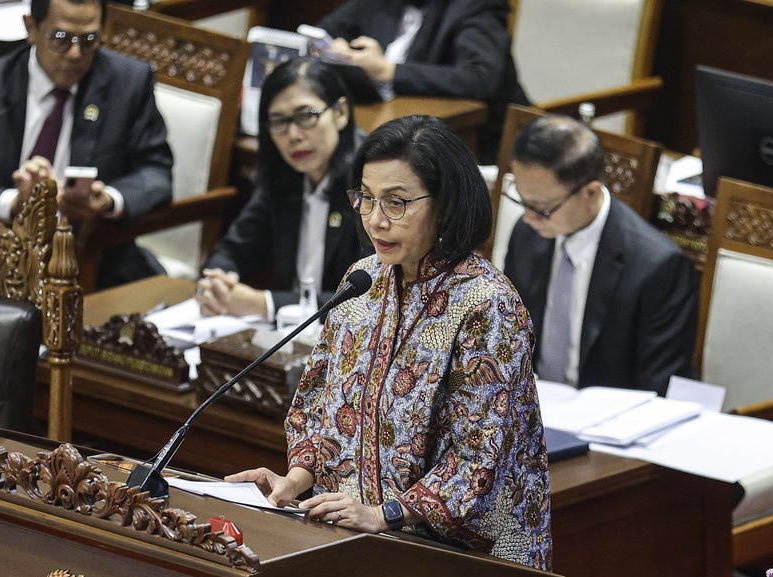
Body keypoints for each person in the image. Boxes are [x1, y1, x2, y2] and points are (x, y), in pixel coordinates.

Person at [227, 115, 552, 569]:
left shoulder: (486, 305)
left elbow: (477, 456)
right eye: (367, 198)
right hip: (360, 541)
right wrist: (296, 480)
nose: (376, 220)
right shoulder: (363, 281)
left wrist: (385, 515)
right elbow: (321, 402)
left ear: (447, 204)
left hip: (467, 556)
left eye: (397, 203)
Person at [0, 0, 173, 289]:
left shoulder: (129, 83)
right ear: (31, 28)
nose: (75, 54)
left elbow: (156, 173)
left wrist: (107, 200)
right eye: (60, 39)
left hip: (95, 263)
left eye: (89, 40)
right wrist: (14, 202)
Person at [502, 115, 698, 396]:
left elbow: (660, 389)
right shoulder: (527, 234)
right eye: (522, 200)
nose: (529, 217)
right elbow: (509, 336)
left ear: (590, 193)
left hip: (611, 425)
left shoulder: (657, 268)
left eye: (542, 208)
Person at [197, 57, 371, 318]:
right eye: (279, 122)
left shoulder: (371, 185)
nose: (293, 136)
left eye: (306, 117)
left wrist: (266, 304)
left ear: (340, 113)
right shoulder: (283, 178)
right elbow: (233, 250)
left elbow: (372, 293)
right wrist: (220, 282)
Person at [315, 0, 528, 164]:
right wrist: (336, 46)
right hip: (388, 127)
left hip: (478, 146)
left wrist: (388, 70)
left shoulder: (476, 5)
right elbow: (325, 31)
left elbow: (479, 76)